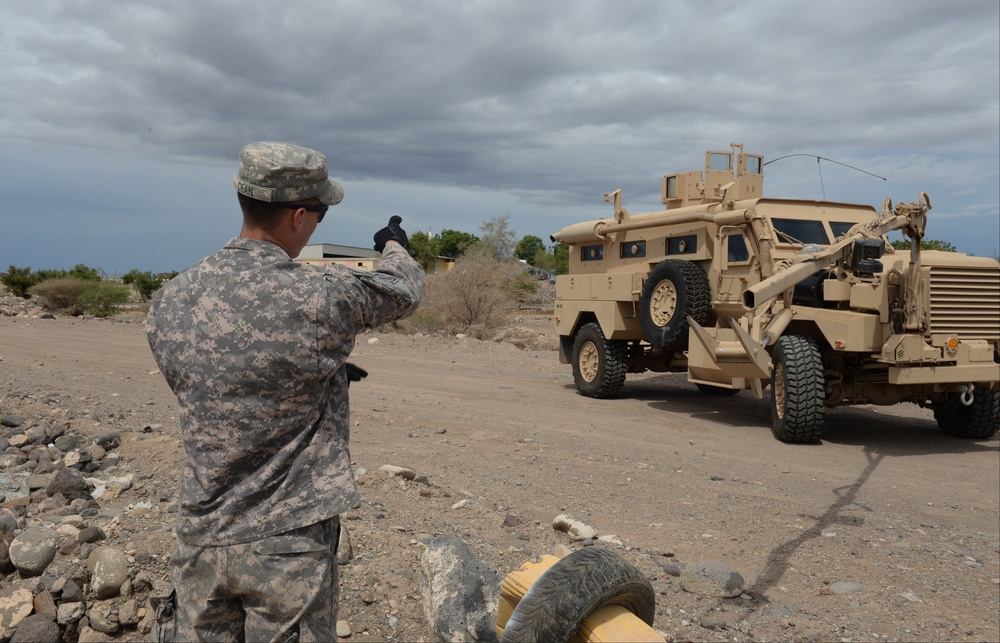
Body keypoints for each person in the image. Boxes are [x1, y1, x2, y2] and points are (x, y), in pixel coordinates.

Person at [145, 141, 425, 642]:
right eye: (319, 215)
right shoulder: (319, 293)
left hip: (200, 540)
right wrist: (393, 244)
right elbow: (402, 290)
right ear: (299, 215)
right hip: (288, 546)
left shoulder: (171, 299)